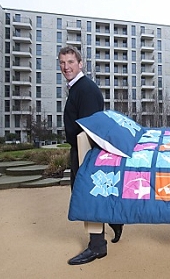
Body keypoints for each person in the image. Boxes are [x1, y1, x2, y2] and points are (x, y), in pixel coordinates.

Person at [59, 46, 124, 265]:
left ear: (80, 63)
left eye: (70, 62)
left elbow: (90, 130)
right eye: (62, 63)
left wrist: (85, 160)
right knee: (90, 194)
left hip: (85, 152)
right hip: (79, 150)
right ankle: (115, 221)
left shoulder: (85, 89)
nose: (66, 67)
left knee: (86, 196)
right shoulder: (78, 88)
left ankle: (97, 247)